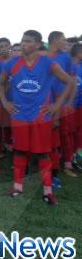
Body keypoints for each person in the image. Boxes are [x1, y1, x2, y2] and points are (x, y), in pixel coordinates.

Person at [0, 30, 74, 205]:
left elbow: (69, 81)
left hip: (41, 116)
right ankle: (17, 187)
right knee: (20, 150)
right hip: (20, 116)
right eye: (23, 41)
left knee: (43, 153)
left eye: (28, 41)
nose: (24, 44)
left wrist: (56, 105)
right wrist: (5, 102)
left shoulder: (48, 63)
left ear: (38, 45)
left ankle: (48, 191)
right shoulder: (12, 64)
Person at [47, 31, 78, 180]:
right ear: (54, 40)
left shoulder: (65, 57)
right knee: (49, 134)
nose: (65, 42)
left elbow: (72, 80)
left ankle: (67, 164)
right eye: (62, 39)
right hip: (46, 102)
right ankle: (47, 163)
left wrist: (70, 101)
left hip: (62, 101)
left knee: (65, 134)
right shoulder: (42, 56)